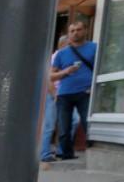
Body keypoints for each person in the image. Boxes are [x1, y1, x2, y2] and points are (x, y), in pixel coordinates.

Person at [50, 20, 96, 161]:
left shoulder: (94, 48)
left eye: (79, 29)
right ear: (69, 34)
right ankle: (67, 156)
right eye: (72, 31)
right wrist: (65, 72)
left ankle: (93, 155)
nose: (75, 33)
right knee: (64, 128)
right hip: (65, 94)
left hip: (85, 93)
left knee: (88, 124)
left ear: (85, 31)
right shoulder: (61, 54)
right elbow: (51, 76)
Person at [41, 35, 69, 164]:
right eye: (69, 44)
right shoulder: (55, 57)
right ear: (62, 45)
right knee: (49, 124)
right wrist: (54, 94)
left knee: (71, 121)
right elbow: (48, 78)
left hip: (65, 94)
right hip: (52, 94)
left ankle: (61, 150)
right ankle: (44, 153)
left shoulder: (67, 57)